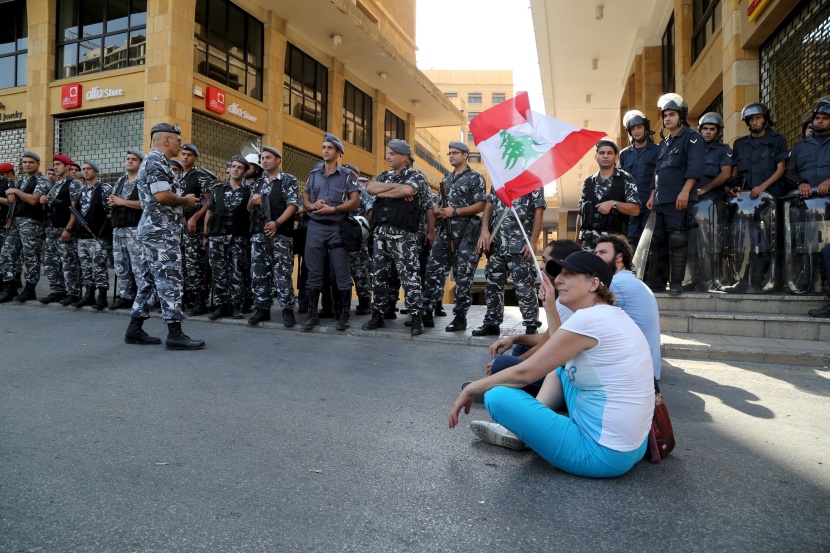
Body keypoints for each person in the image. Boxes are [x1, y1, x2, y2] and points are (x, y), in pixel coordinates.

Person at [449, 251, 654, 478]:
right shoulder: (611, 315)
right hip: (633, 446)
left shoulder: (589, 320)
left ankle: (522, 430)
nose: (558, 280)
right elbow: (559, 355)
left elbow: (525, 374)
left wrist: (472, 388)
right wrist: (549, 305)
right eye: (559, 275)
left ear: (594, 284)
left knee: (496, 396)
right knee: (560, 369)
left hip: (601, 453)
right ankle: (531, 424)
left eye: (569, 274)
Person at [125, 122, 204, 350]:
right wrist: (186, 201)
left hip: (159, 230)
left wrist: (181, 199)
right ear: (167, 140)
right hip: (160, 233)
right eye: (178, 140)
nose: (181, 144)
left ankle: (134, 329)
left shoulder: (157, 162)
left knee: (150, 282)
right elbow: (162, 196)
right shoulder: (155, 161)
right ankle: (175, 334)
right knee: (170, 280)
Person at [419, 141, 486, 332]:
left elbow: (481, 204)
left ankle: (460, 318)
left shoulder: (475, 177)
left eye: (454, 153)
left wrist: (454, 212)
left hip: (467, 233)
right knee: (433, 270)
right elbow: (437, 204)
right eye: (449, 153)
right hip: (444, 231)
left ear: (465, 155)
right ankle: (427, 312)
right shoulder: (446, 179)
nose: (450, 156)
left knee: (463, 276)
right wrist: (438, 210)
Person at [722, 102, 788, 294]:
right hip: (746, 202)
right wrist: (733, 187)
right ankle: (742, 281)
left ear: (765, 119)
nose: (755, 122)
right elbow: (735, 173)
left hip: (769, 200)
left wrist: (762, 187)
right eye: (751, 119)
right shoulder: (740, 144)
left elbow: (781, 169)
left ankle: (759, 283)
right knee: (743, 241)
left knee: (766, 241)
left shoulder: (777, 139)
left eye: (758, 118)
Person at [361, 139, 426, 335]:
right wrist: (395, 190)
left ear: (403, 157)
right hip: (381, 235)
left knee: (410, 278)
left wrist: (389, 191)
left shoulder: (416, 176)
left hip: (403, 237)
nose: (387, 157)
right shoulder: (384, 175)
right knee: (379, 276)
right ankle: (378, 314)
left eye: (391, 154)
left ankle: (416, 317)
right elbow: (370, 188)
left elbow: (408, 190)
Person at [645, 93, 705, 295]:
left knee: (677, 240)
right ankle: (658, 283)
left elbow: (695, 167)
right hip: (661, 200)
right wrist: (653, 195)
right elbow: (657, 172)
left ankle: (676, 283)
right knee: (657, 241)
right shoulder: (664, 143)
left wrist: (685, 191)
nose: (667, 118)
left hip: (678, 199)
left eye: (672, 114)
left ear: (681, 116)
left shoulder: (692, 138)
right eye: (665, 115)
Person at [301, 134, 360, 331]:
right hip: (315, 226)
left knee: (341, 273)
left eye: (330, 148)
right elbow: (306, 199)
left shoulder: (348, 176)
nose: (325, 150)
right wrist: (313, 205)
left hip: (337, 227)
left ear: (338, 152)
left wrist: (334, 209)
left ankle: (343, 316)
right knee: (314, 272)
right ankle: (312, 315)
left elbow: (355, 201)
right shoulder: (314, 173)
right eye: (324, 147)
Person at [472, 187, 545, 337]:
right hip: (497, 243)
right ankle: (492, 322)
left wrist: (533, 241)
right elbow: (489, 205)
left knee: (524, 286)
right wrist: (484, 230)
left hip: (520, 244)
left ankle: (531, 324)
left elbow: (539, 210)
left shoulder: (532, 178)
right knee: (493, 285)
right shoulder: (499, 176)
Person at [786, 98, 830, 317]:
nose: (820, 122)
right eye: (817, 118)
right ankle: (805, 284)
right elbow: (789, 171)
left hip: (829, 205)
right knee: (804, 246)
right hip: (805, 206)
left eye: (824, 118)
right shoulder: (801, 146)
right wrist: (800, 183)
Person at [247, 146, 299, 327]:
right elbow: (248, 209)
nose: (264, 161)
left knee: (282, 273)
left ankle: (287, 309)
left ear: (278, 160)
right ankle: (262, 308)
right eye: (262, 158)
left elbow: (292, 205)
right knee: (259, 273)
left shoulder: (288, 180)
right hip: (259, 235)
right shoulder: (258, 183)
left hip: (281, 235)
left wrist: (277, 223)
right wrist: (252, 201)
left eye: (268, 157)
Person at [687, 112, 733, 291]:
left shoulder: (724, 150)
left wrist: (704, 190)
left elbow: (726, 173)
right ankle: (693, 279)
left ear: (717, 131)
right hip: (691, 199)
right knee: (691, 241)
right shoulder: (692, 150)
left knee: (710, 243)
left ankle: (710, 280)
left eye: (712, 129)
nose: (707, 132)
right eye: (705, 129)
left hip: (713, 200)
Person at [204, 156, 252, 321]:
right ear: (229, 169)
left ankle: (235, 306)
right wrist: (206, 235)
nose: (235, 169)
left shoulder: (249, 192)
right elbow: (209, 212)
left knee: (237, 272)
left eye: (239, 167)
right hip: (217, 237)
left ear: (245, 172)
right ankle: (220, 305)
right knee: (218, 272)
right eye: (233, 166)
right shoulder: (218, 189)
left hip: (238, 238)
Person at [0, 152, 50, 302]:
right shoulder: (21, 180)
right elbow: (13, 201)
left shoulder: (42, 180)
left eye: (31, 162)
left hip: (32, 223)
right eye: (25, 162)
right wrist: (10, 196)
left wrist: (15, 191)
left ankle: (30, 288)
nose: (27, 165)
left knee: (30, 257)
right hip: (15, 221)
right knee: (5, 253)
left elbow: (34, 200)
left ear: (38, 164)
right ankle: (10, 286)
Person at [575, 139, 640, 250]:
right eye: (602, 153)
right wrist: (577, 238)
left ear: (616, 157)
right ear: (596, 157)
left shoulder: (625, 179)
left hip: (613, 244)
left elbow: (635, 209)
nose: (605, 156)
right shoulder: (588, 182)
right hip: (588, 244)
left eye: (609, 153)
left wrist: (613, 204)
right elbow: (581, 212)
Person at [68, 160, 113, 310]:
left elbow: (111, 212)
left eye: (89, 169)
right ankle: (89, 295)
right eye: (84, 169)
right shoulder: (81, 190)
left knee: (98, 266)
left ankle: (102, 296)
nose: (85, 171)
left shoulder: (105, 188)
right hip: (82, 236)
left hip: (98, 235)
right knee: (86, 267)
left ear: (96, 171)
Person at [38, 154, 82, 305]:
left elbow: (75, 209)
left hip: (64, 229)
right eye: (54, 164)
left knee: (68, 262)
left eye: (58, 164)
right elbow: (51, 206)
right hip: (51, 229)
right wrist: (44, 202)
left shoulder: (74, 183)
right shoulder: (55, 184)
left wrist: (69, 229)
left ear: (67, 167)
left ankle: (73, 292)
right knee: (51, 262)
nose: (55, 167)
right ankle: (57, 290)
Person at [108, 149, 146, 309]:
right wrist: (112, 202)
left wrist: (122, 202)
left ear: (140, 163)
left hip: (135, 228)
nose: (129, 161)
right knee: (120, 265)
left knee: (138, 266)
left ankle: (142, 297)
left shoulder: (143, 180)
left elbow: (145, 204)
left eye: (134, 159)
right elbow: (114, 199)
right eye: (128, 159)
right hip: (118, 228)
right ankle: (125, 295)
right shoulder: (120, 180)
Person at [178, 143, 213, 316]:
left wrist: (194, 217)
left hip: (193, 228)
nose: (185, 157)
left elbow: (209, 202)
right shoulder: (176, 177)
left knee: (195, 266)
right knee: (182, 265)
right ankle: (186, 299)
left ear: (195, 158)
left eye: (189, 155)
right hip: (178, 228)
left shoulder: (200, 176)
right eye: (183, 154)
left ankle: (200, 301)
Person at [619, 110, 660, 252]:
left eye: (639, 127)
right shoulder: (624, 154)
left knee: (651, 241)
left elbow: (659, 175)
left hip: (650, 204)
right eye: (633, 129)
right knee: (630, 241)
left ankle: (650, 274)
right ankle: (633, 274)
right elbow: (620, 179)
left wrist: (653, 196)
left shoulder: (657, 150)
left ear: (645, 128)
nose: (636, 131)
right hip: (631, 206)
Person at [342, 165, 374, 315]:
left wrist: (364, 230)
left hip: (357, 237)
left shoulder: (362, 191)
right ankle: (343, 304)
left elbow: (371, 210)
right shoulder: (339, 190)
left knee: (360, 271)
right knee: (341, 271)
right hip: (340, 236)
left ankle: (365, 303)